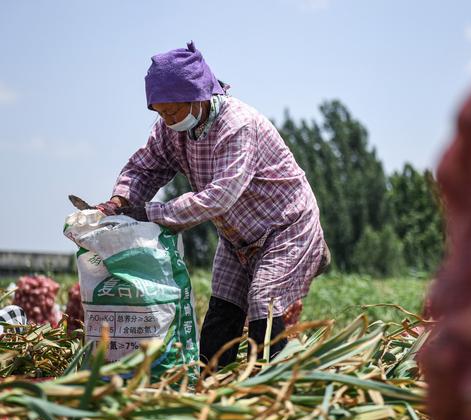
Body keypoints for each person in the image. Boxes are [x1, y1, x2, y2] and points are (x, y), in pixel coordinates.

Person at [96, 41, 330, 367]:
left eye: (173, 111)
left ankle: (269, 389)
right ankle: (210, 382)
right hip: (237, 236)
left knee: (263, 301)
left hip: (286, 228)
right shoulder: (170, 130)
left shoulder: (238, 126)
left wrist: (152, 213)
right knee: (223, 305)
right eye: (160, 112)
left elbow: (219, 196)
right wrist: (121, 200)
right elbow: (144, 167)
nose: (167, 119)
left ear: (198, 96)